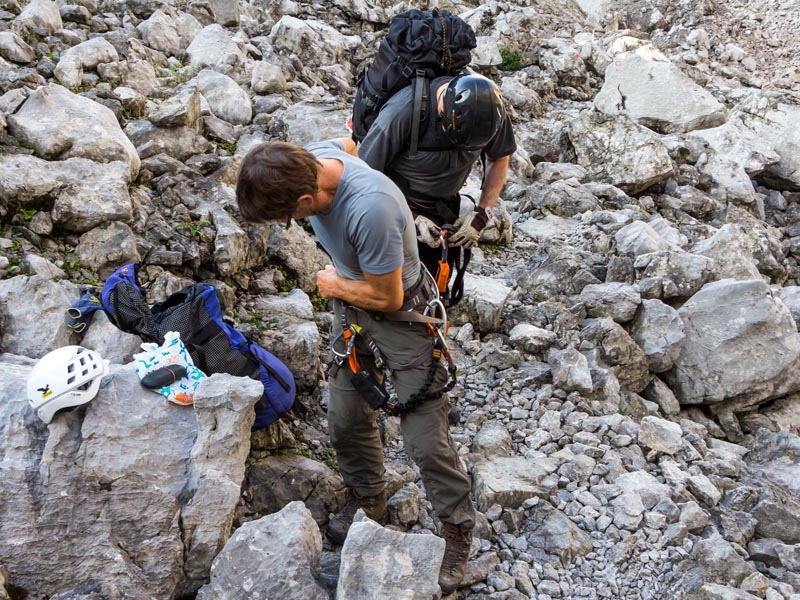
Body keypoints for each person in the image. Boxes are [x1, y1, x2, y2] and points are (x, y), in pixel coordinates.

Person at [236, 138, 477, 595]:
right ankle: (368, 497)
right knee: (346, 416)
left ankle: (457, 527)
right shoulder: (315, 156)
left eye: (290, 217)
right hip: (352, 310)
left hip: (402, 314)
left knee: (425, 439)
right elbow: (351, 143)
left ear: (306, 199)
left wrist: (332, 284)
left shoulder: (371, 209)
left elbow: (388, 296)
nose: (294, 224)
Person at [358, 73, 516, 304]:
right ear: (443, 111)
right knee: (395, 291)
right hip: (394, 204)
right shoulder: (404, 111)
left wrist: (482, 214)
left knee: (432, 289)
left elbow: (499, 157)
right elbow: (362, 177)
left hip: (444, 208)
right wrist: (408, 218)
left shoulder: (491, 112)